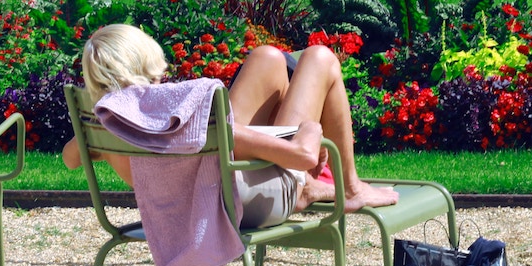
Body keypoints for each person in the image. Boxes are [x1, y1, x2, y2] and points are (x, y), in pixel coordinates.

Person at [63, 24, 398, 224]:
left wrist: (96, 127)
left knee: (266, 58)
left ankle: (310, 188)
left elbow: (69, 158)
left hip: (212, 191)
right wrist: (312, 132)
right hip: (238, 202)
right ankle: (350, 188)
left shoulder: (114, 124)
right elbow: (301, 155)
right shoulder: (173, 118)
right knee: (320, 58)